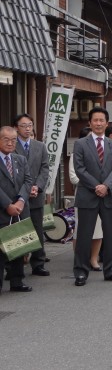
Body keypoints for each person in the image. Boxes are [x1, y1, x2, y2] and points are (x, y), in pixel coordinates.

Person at [72, 107, 112, 286]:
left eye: (102, 120)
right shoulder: (80, 144)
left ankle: (111, 270)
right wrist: (96, 186)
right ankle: (80, 272)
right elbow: (80, 169)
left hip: (109, 195)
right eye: (95, 120)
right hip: (88, 194)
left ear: (107, 123)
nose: (98, 123)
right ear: (90, 122)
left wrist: (106, 186)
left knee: (110, 235)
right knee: (84, 235)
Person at [13, 114, 50, 277]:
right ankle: (13, 266)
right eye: (24, 125)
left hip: (36, 194)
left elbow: (45, 169)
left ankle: (38, 263)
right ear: (16, 128)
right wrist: (25, 190)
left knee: (37, 228)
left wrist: (38, 187)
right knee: (16, 230)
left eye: (30, 125)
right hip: (16, 197)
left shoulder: (40, 146)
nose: (28, 128)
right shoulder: (10, 146)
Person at [0, 126, 34, 294]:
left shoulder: (20, 159)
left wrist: (20, 201)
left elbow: (28, 181)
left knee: (18, 246)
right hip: (2, 210)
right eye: (6, 139)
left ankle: (17, 281)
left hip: (20, 209)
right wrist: (8, 205)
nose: (10, 143)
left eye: (13, 140)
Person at [69, 127, 103, 271]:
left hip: (101, 194)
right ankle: (80, 259)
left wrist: (102, 186)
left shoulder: (102, 151)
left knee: (98, 230)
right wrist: (93, 184)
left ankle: (94, 259)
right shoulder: (77, 152)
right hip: (84, 194)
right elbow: (73, 176)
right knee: (81, 230)